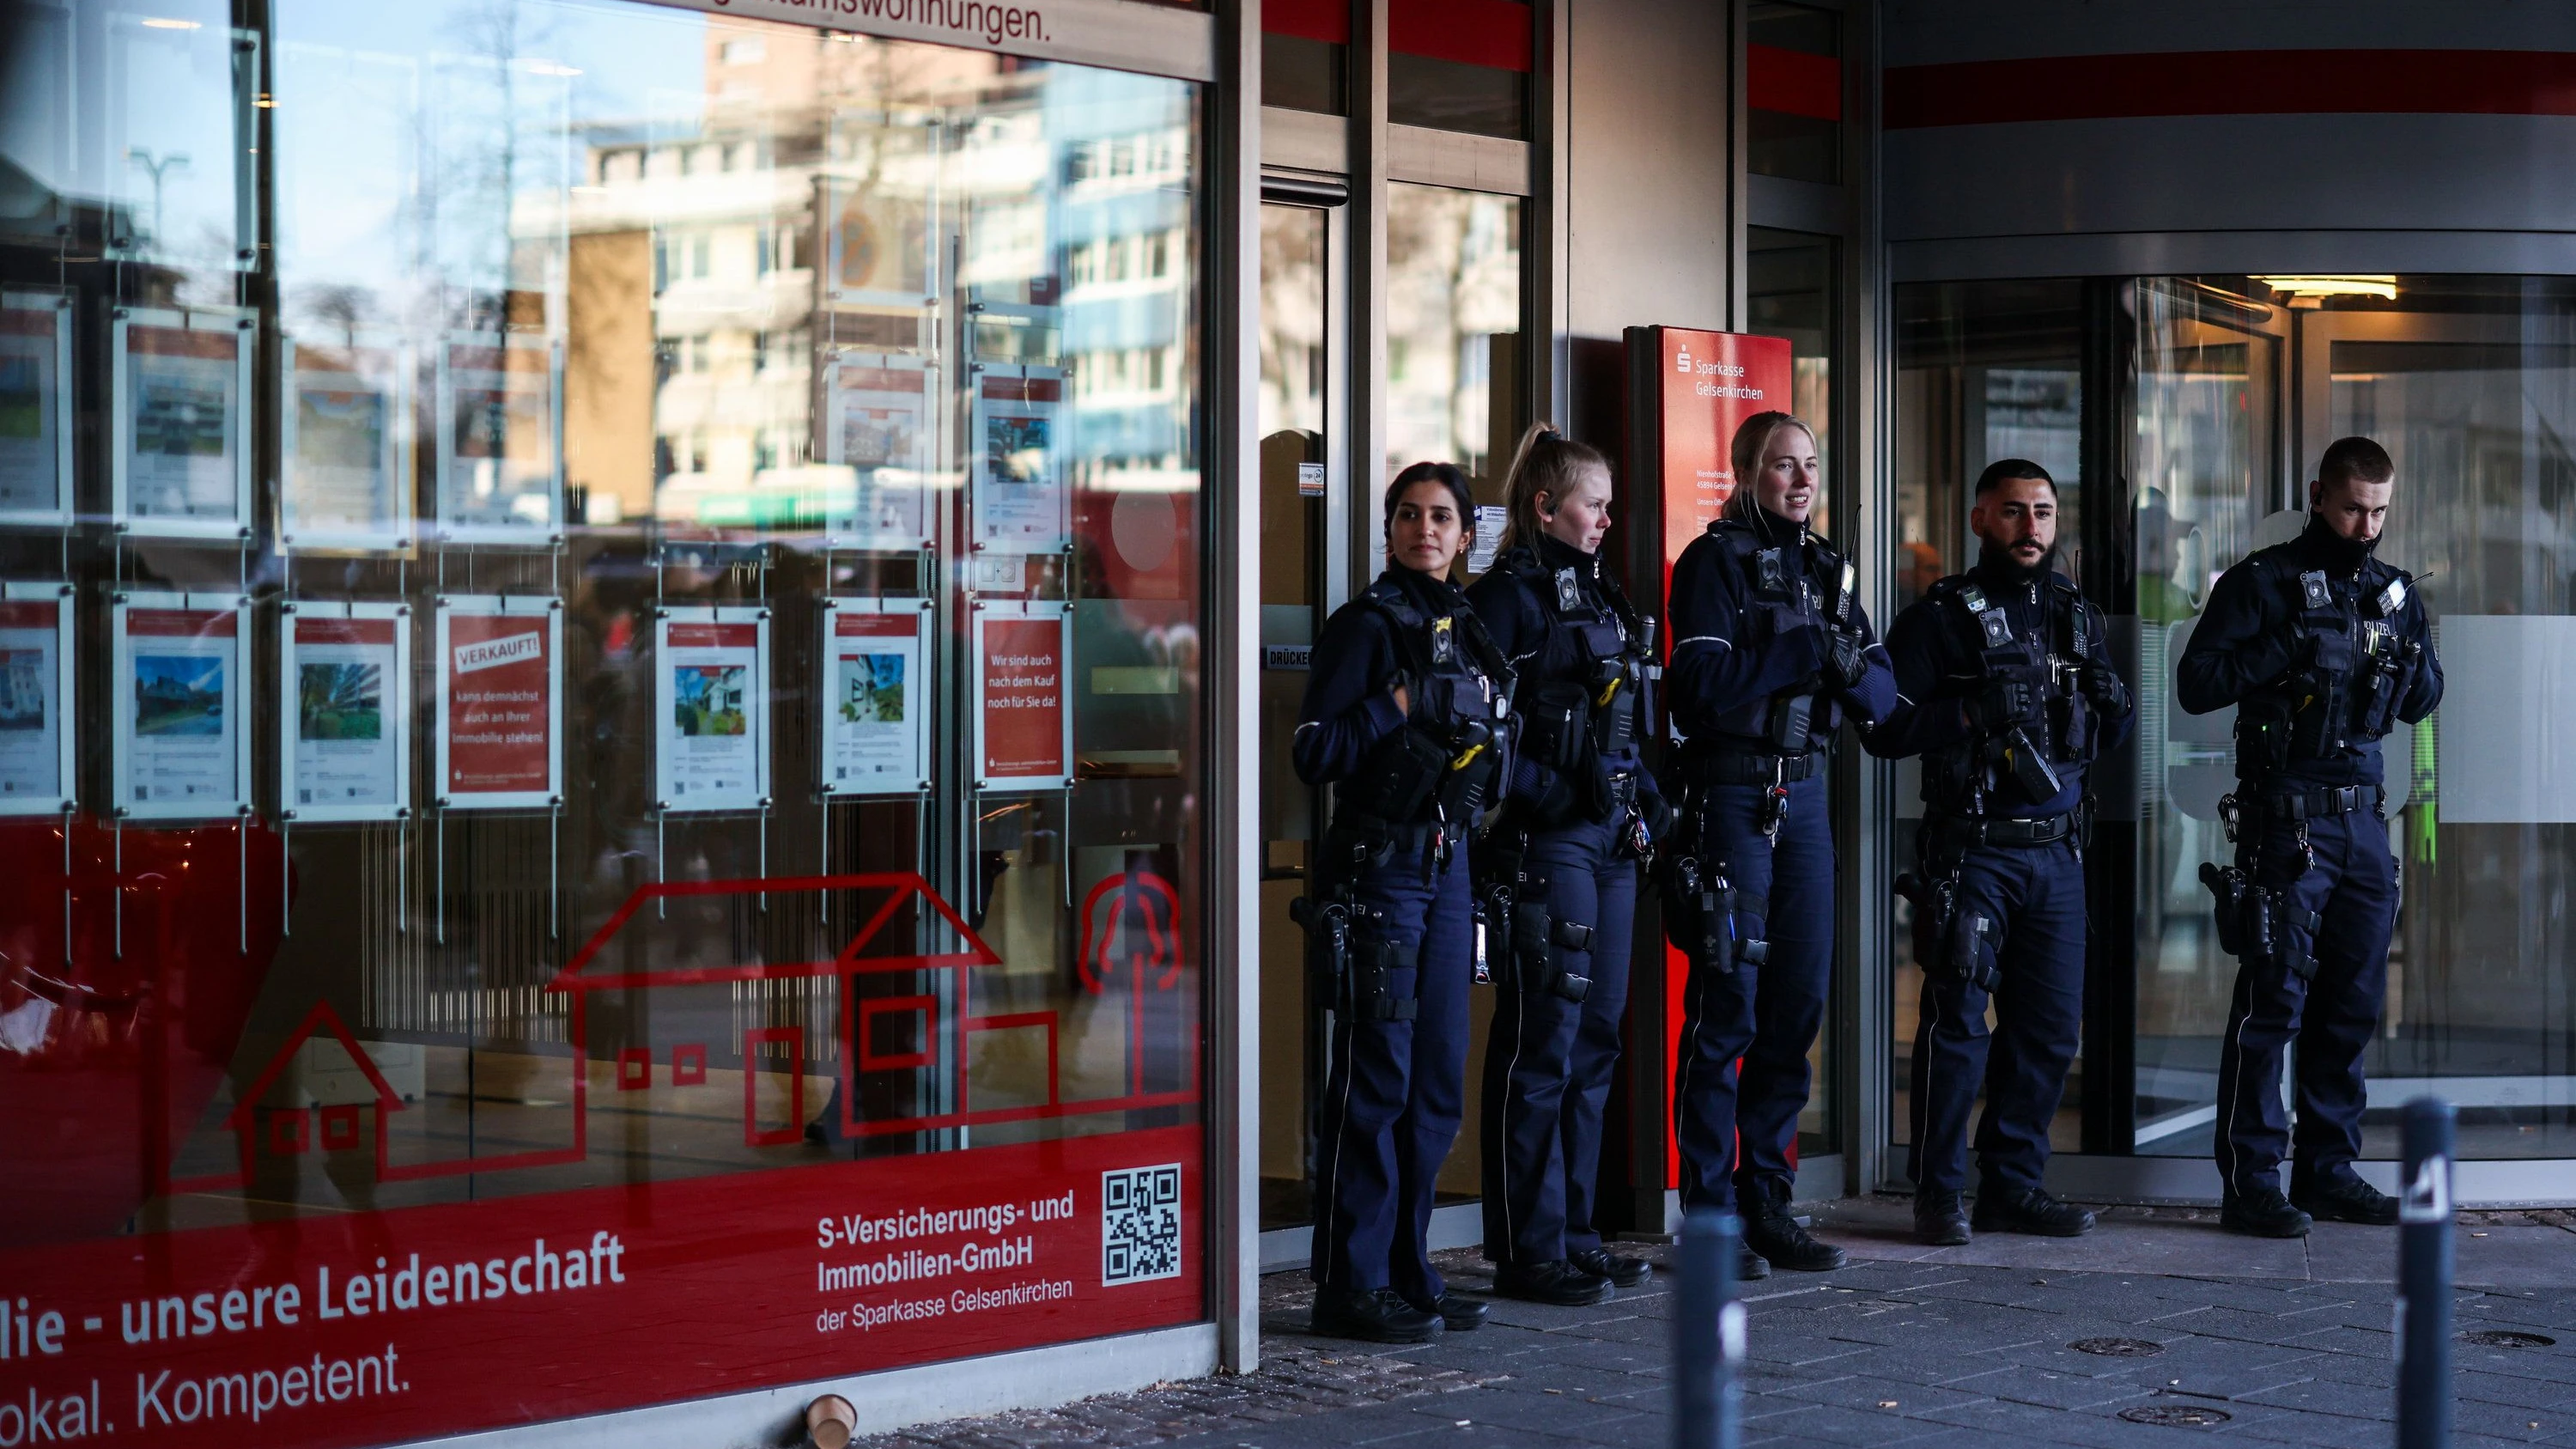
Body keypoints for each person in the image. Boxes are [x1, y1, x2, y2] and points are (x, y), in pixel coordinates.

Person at [2177, 436, 2441, 1239]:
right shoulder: (2266, 581)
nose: (2367, 525)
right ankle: (2251, 1180)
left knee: (2352, 1002)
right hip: (2288, 818)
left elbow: (2423, 700)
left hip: (2364, 819)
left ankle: (2327, 1168)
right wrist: (2293, 642)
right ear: (2320, 494)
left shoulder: (2393, 593)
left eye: (2381, 511)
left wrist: (2406, 647)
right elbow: (2198, 684)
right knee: (2273, 1001)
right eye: (2355, 507)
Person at [1868, 460, 2134, 1245]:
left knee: (2049, 1028)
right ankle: (1939, 1193)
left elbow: (2103, 737)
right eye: (2014, 512)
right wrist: (1968, 711)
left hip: (2057, 856)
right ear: (1981, 518)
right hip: (1974, 852)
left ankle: (2012, 1185)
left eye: (2044, 513)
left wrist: (2113, 706)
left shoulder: (2074, 614)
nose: (2031, 527)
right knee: (1959, 1027)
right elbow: (1882, 728)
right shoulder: (1939, 618)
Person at [1662, 411, 1896, 1275]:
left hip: (1806, 800)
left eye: (1809, 465)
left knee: (1794, 1010)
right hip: (1734, 793)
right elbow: (1697, 689)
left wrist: (1843, 664)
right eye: (1780, 465)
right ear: (1742, 472)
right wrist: (1801, 651)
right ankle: (1712, 1219)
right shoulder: (1713, 563)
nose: (1800, 480)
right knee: (1729, 1008)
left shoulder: (1829, 568)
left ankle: (1769, 1202)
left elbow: (1883, 689)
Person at [1293, 461, 1512, 1342]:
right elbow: (1315, 750)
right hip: (1380, 867)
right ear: (1389, 530)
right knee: (1376, 1080)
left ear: (1466, 535)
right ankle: (1352, 1281)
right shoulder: (1367, 625)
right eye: (1411, 516)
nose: (1427, 529)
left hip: (1447, 861)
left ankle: (1409, 1268)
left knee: (1434, 1082)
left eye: (1443, 518)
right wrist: (1400, 700)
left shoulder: (1471, 624)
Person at [1466, 424, 1665, 1306]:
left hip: (1610, 840)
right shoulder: (1506, 598)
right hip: (1548, 840)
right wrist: (1544, 787)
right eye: (1593, 503)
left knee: (1596, 1039)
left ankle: (1575, 1231)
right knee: (1543, 1040)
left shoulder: (1602, 595)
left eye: (1609, 505)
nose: (1605, 519)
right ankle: (1526, 1246)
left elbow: (1628, 717)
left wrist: (1647, 804)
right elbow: (1471, 726)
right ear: (1546, 505)